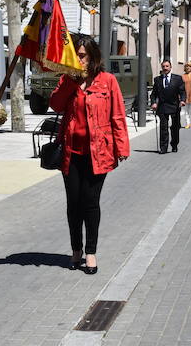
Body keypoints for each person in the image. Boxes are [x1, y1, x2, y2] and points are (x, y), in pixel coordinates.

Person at [49, 36, 130, 273]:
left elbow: (117, 115)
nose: (78, 60)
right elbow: (55, 104)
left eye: (82, 55)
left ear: (93, 56)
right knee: (73, 203)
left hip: (99, 151)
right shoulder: (67, 80)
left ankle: (91, 252)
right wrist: (70, 82)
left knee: (90, 202)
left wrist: (122, 147)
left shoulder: (107, 81)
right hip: (71, 152)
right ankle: (76, 250)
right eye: (75, 56)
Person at [150, 60, 187, 153]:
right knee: (163, 127)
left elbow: (182, 91)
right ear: (161, 68)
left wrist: (182, 100)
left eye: (167, 66)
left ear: (170, 67)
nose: (165, 68)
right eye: (163, 66)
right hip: (162, 106)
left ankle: (174, 144)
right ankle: (163, 147)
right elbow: (153, 94)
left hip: (175, 105)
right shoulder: (157, 79)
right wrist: (153, 102)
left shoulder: (178, 79)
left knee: (175, 127)